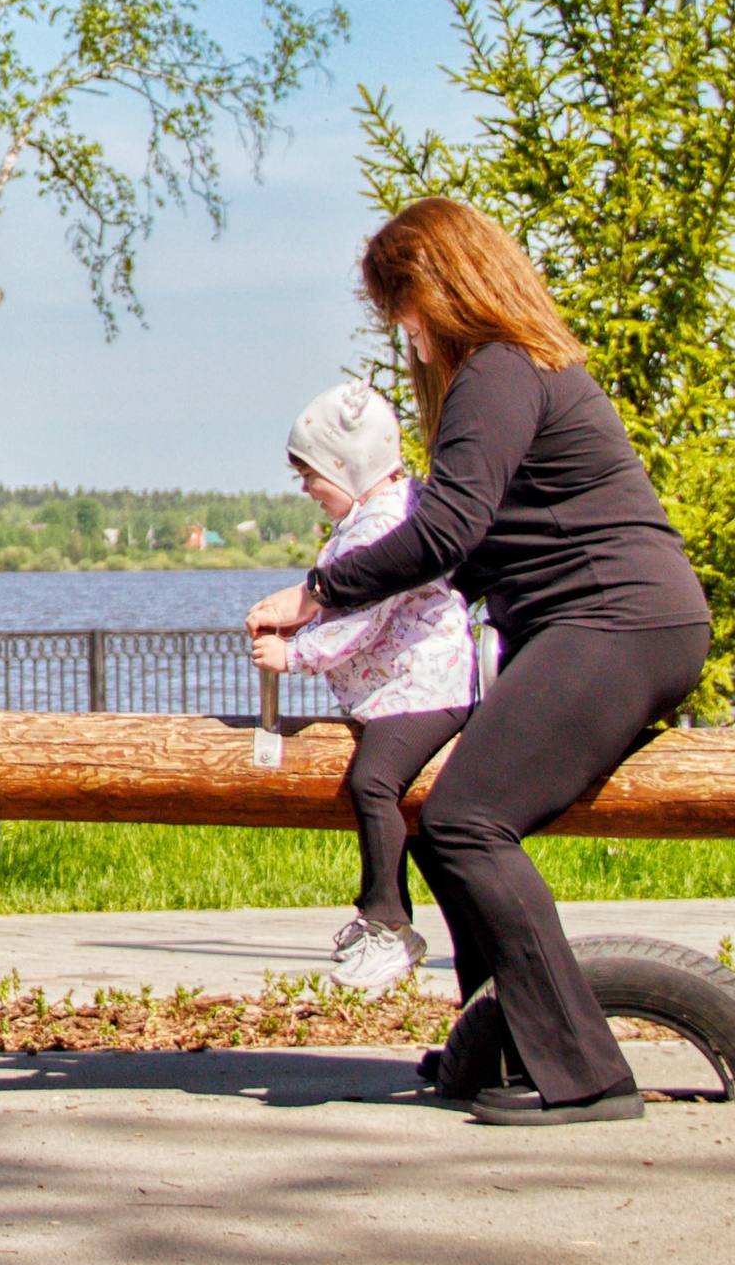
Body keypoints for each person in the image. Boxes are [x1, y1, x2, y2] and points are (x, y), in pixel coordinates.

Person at [248, 198, 710, 1127]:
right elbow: (461, 552)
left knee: (467, 822)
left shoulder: (499, 371)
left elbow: (444, 533)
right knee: (439, 821)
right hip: (594, 625)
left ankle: (586, 1076)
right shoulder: (514, 373)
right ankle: (494, 1046)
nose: (404, 335)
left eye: (402, 311)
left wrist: (319, 593)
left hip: (615, 622)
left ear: (438, 286)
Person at [248, 381, 474, 993]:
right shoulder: (382, 511)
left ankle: (387, 923)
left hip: (425, 689)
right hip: (406, 688)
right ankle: (407, 924)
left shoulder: (382, 523)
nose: (305, 489)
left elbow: (361, 621)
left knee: (374, 782)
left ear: (349, 469)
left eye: (312, 475)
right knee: (396, 799)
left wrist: (291, 656)